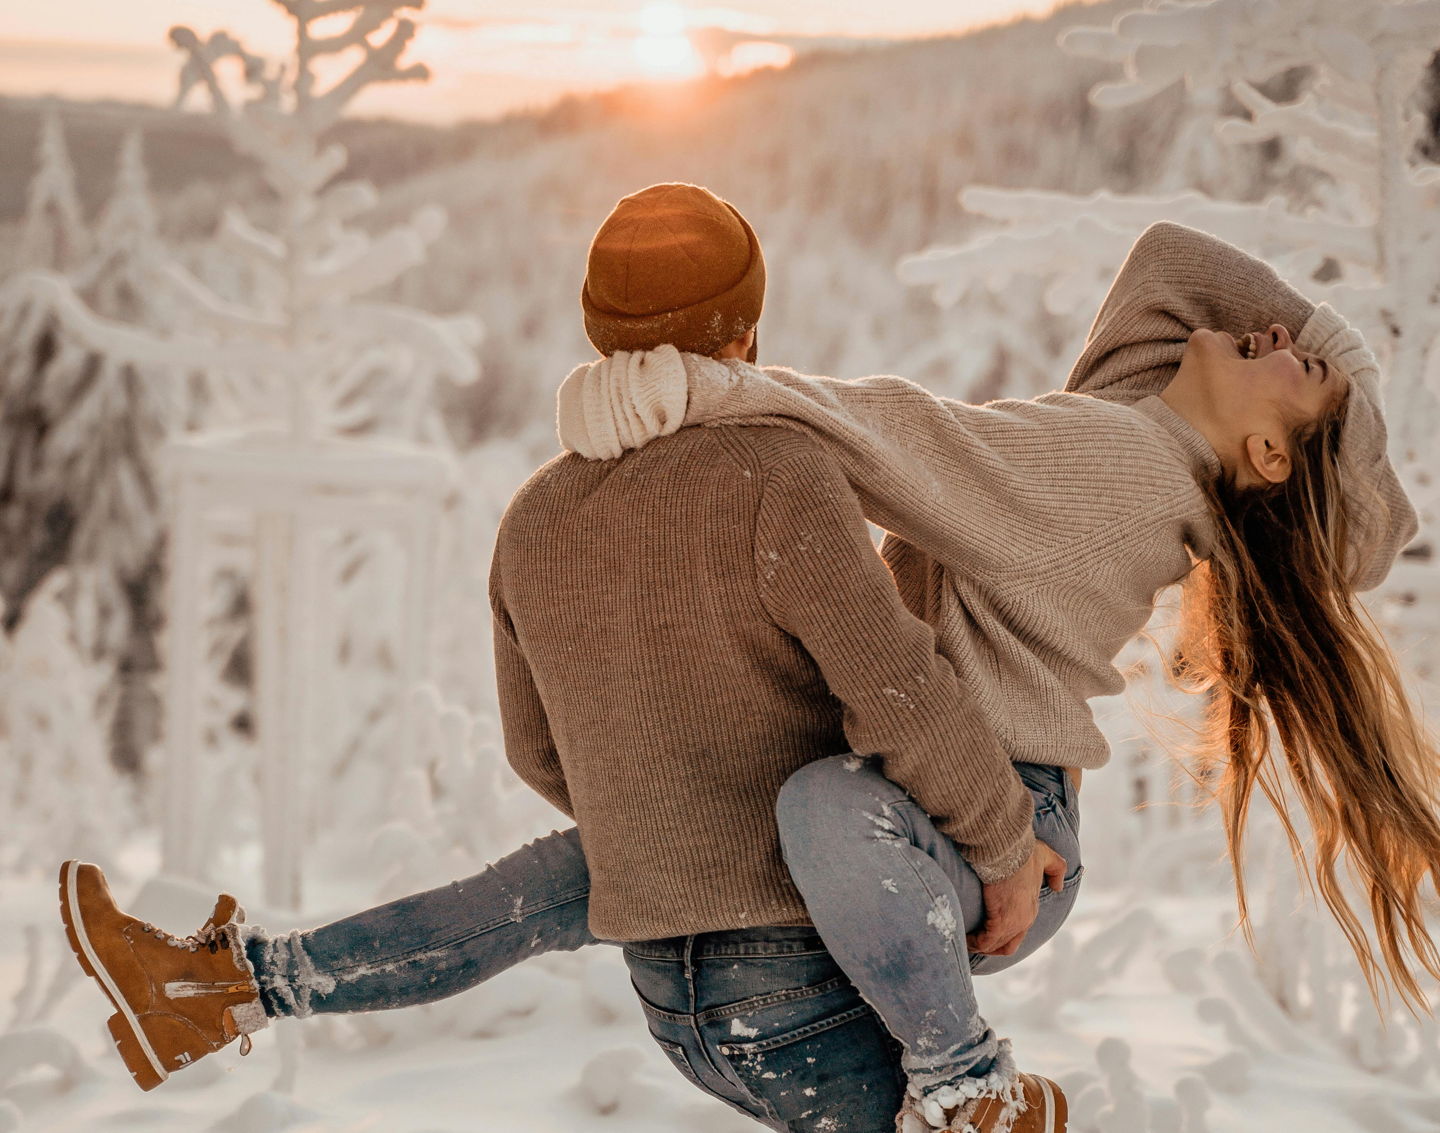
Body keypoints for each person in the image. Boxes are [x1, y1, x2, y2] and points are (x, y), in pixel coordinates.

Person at [57, 188, 1435, 1132]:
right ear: (745, 322)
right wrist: (1325, 372)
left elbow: (555, 752)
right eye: (1292, 343)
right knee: (756, 820)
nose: (1281, 333)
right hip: (894, 859)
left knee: (674, 840)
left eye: (1300, 372)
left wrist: (999, 847)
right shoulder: (1106, 445)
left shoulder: (1109, 463)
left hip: (957, 830)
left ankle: (230, 985)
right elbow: (1169, 264)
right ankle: (229, 983)